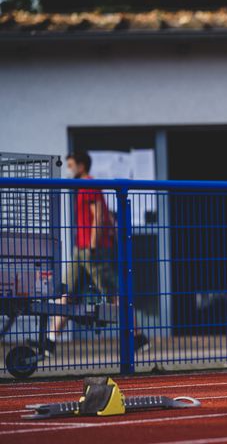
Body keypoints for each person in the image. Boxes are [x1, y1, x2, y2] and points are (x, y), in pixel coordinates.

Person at [37, 152, 149, 356]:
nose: (69, 169)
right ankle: (50, 342)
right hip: (81, 249)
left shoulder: (89, 184)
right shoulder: (83, 186)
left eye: (71, 165)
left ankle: (138, 338)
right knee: (66, 292)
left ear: (81, 166)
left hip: (91, 250)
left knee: (114, 294)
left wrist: (93, 245)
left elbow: (98, 214)